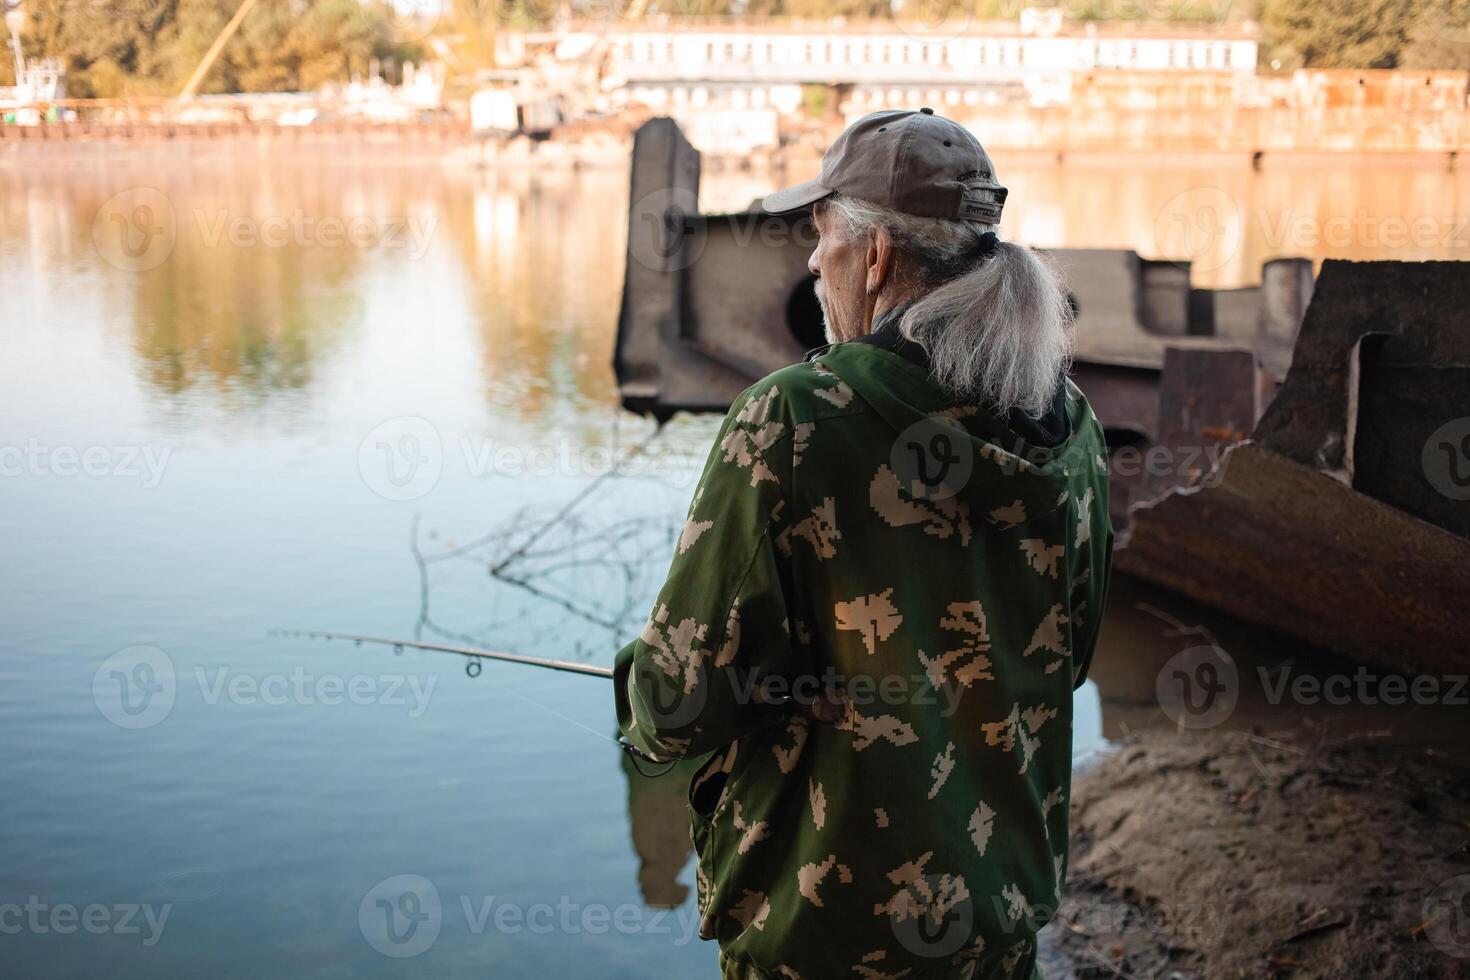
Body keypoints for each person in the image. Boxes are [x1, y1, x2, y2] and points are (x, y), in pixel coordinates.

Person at [613, 107, 1113, 980]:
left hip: (821, 939)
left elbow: (682, 704)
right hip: (993, 930)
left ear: (875, 257)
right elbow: (1065, 658)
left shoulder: (793, 420)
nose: (811, 263)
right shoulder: (1072, 428)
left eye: (820, 236)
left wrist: (636, 683)